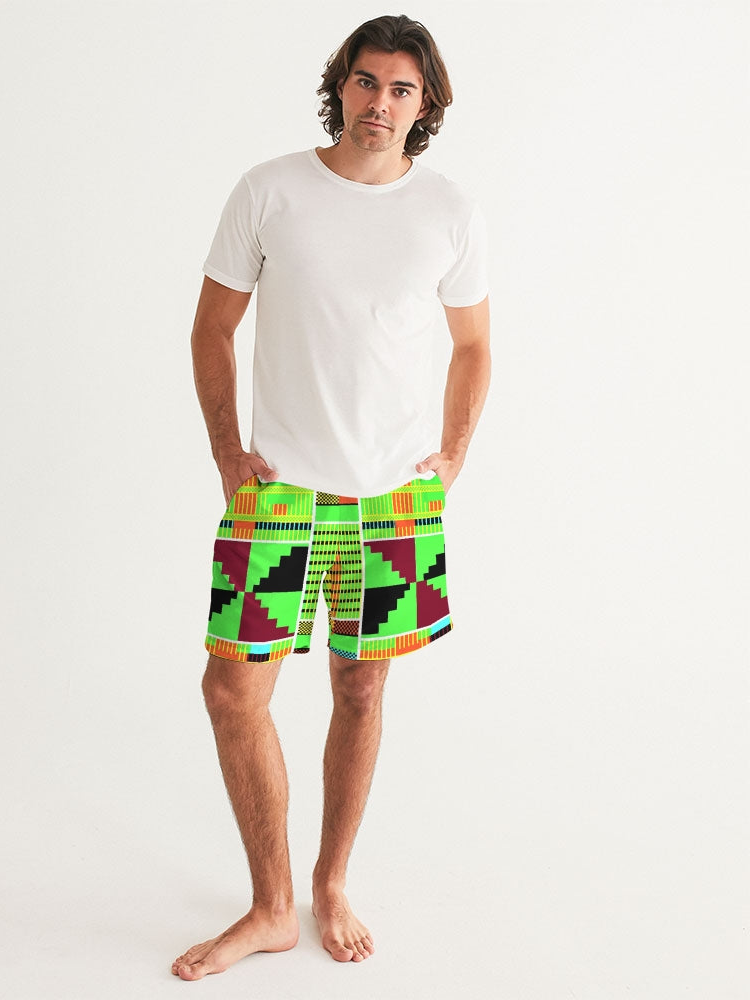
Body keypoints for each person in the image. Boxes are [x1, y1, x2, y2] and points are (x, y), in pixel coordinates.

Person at [171, 13, 491, 980]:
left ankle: (331, 882)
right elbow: (211, 328)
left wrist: (451, 459)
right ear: (339, 85)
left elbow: (474, 345)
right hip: (279, 492)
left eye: (400, 89)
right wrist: (227, 453)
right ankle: (272, 906)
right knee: (233, 691)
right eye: (365, 81)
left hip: (393, 501)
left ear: (425, 103)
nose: (378, 103)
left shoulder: (448, 210)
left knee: (361, 685)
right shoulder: (270, 191)